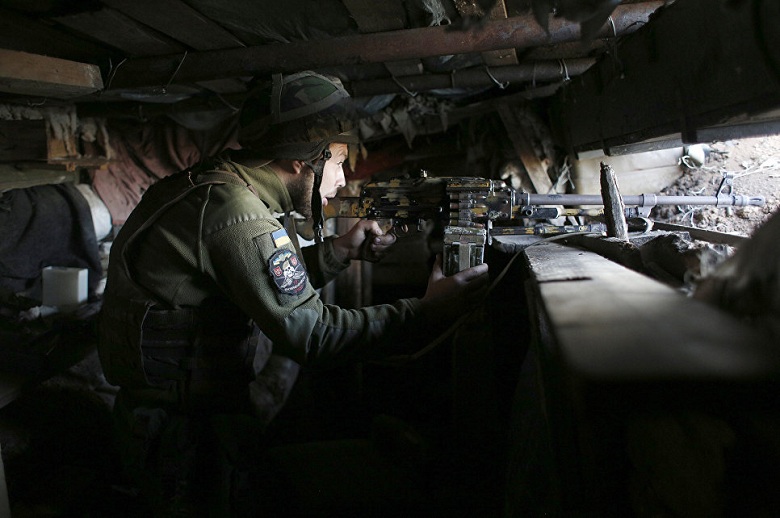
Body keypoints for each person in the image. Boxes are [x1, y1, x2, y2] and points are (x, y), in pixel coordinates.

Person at [97, 71, 489, 515]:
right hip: (183, 440)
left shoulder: (215, 183)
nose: (342, 180)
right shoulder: (238, 213)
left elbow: (254, 278)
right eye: (338, 163)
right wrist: (427, 311)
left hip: (174, 419)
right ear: (302, 163)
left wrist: (339, 251)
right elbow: (314, 335)